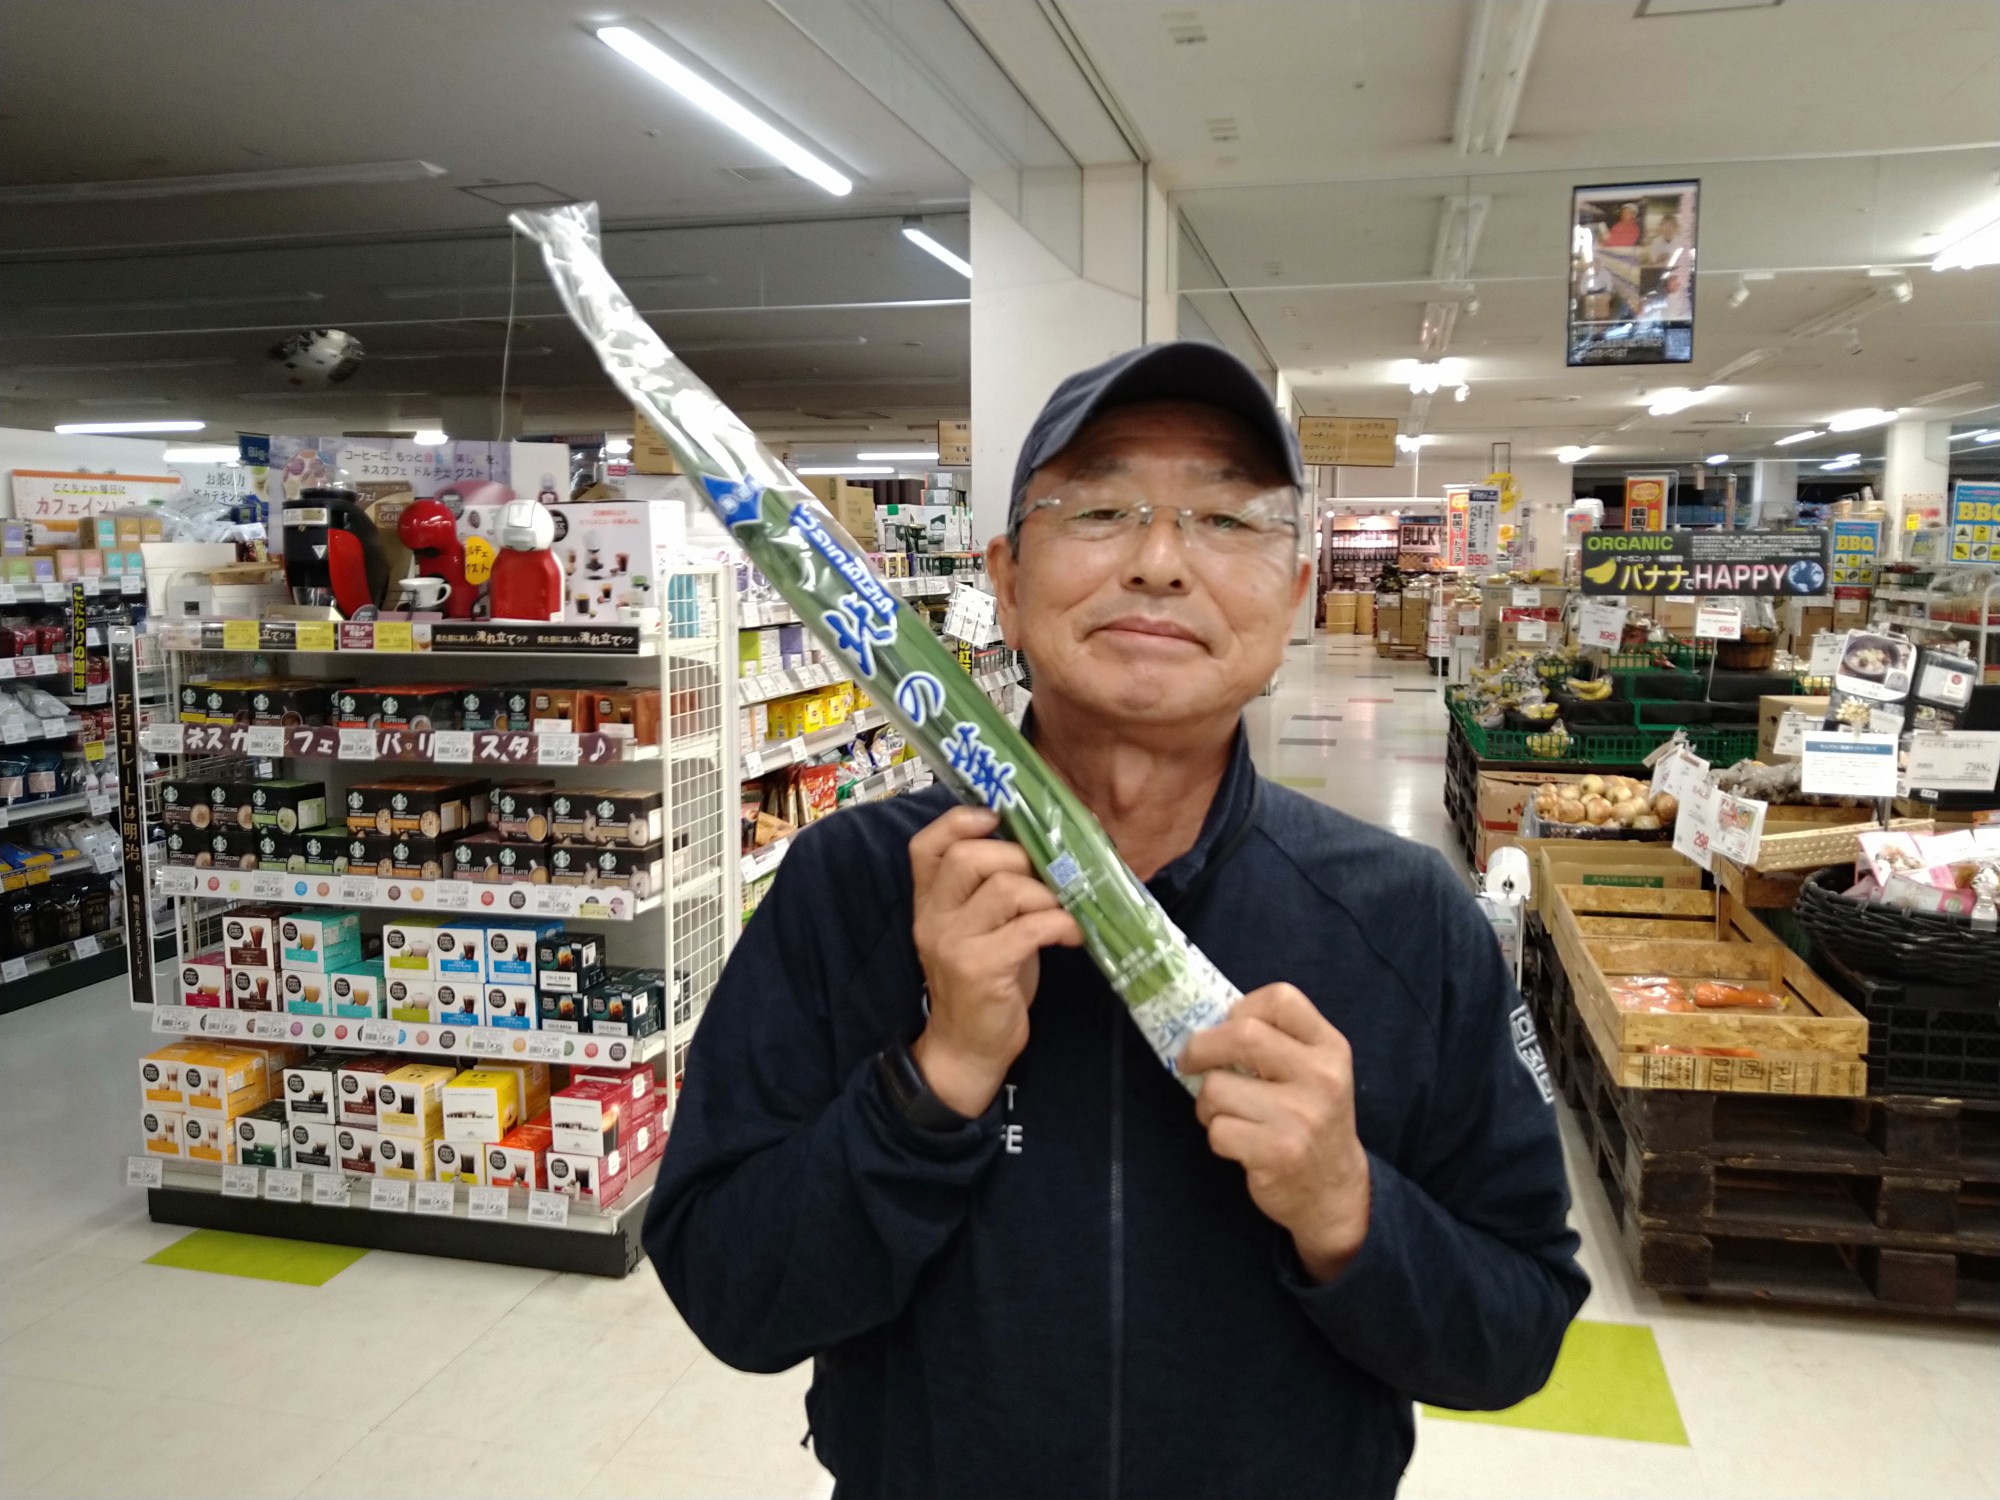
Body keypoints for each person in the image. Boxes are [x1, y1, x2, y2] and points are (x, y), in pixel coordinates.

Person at [646, 342, 1588, 1500]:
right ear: (1003, 578)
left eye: (1226, 519)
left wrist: (1346, 1205)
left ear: (1295, 593)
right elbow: (732, 1297)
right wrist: (931, 1085)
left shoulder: (1406, 921)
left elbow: (1516, 1330)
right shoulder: (850, 886)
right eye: (1098, 510)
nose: (1157, 561)